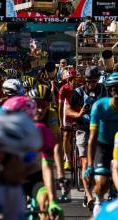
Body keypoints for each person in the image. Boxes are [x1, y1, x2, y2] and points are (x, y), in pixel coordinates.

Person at [66, 66, 106, 210]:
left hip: (100, 130)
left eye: (93, 81)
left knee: (99, 162)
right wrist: (79, 114)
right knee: (84, 163)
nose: (91, 84)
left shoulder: (104, 90)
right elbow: (68, 110)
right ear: (85, 80)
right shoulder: (78, 92)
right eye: (88, 81)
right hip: (83, 129)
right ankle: (89, 197)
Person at [85, 72, 118, 215]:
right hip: (103, 146)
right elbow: (92, 138)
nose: (116, 93)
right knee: (102, 184)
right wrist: (90, 165)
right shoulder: (99, 106)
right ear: (109, 90)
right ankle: (98, 205)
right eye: (113, 89)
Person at [58, 70, 78, 170]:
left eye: (74, 79)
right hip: (67, 111)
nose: (72, 81)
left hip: (78, 111)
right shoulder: (63, 89)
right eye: (70, 79)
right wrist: (61, 122)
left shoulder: (81, 86)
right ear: (67, 80)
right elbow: (61, 107)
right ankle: (68, 160)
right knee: (66, 134)